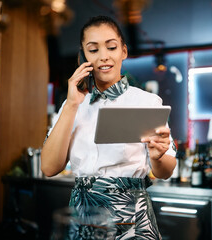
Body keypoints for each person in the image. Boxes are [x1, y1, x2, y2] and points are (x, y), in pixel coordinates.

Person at [41, 15, 176, 239]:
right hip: (83, 216)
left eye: (111, 47)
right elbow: (48, 168)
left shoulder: (147, 102)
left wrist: (158, 156)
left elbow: (166, 171)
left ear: (123, 51)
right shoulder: (72, 105)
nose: (104, 56)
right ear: (84, 55)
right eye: (93, 50)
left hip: (133, 218)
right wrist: (72, 103)